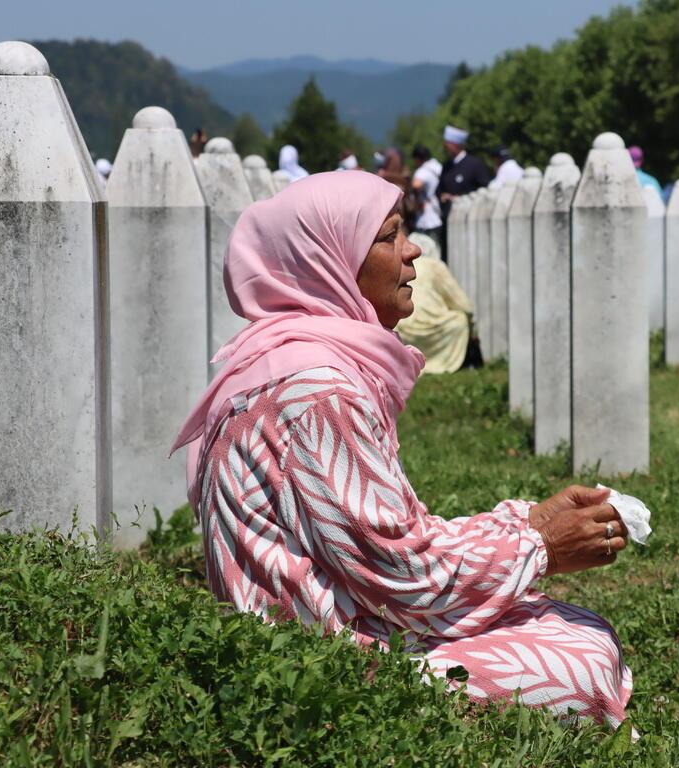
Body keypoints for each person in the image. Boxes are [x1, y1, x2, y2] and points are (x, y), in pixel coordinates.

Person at [171, 171, 639, 730]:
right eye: (390, 236)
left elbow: (388, 536)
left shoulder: (300, 366)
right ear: (332, 260)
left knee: (574, 626)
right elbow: (401, 570)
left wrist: (529, 519)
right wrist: (542, 548)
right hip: (315, 664)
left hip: (339, 621)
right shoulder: (317, 392)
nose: (412, 251)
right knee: (578, 659)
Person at [395, 232, 472, 373]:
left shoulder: (401, 265)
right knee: (459, 320)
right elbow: (461, 303)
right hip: (433, 328)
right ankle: (442, 365)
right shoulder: (435, 266)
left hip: (402, 328)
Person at [437, 125, 490, 261]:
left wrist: (459, 198)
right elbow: (439, 189)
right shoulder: (447, 166)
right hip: (448, 218)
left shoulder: (474, 165)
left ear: (456, 144)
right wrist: (443, 196)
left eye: (448, 142)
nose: (446, 146)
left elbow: (485, 189)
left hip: (469, 220)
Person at [410, 145, 443, 243]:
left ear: (418, 158)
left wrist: (416, 201)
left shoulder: (423, 171)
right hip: (438, 211)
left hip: (427, 217)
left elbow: (416, 185)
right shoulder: (438, 167)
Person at [377, 147, 416, 231]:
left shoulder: (403, 173)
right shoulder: (386, 174)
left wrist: (384, 175)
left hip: (399, 219)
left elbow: (405, 184)